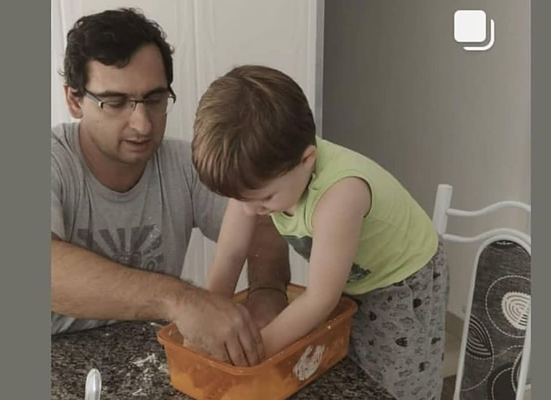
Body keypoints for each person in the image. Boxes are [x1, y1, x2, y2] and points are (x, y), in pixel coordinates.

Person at [191, 65, 450, 399]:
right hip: (354, 276)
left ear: (307, 159)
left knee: (394, 382)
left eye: (264, 199)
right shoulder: (255, 186)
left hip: (402, 282)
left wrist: (252, 355)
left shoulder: (341, 195)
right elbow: (229, 254)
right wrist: (208, 326)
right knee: (343, 364)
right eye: (238, 199)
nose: (249, 211)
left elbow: (320, 298)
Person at [51, 8, 291, 368]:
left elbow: (263, 222)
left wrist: (267, 291)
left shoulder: (183, 164)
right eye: (115, 103)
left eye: (154, 100)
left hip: (155, 356)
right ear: (74, 100)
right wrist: (178, 300)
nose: (142, 124)